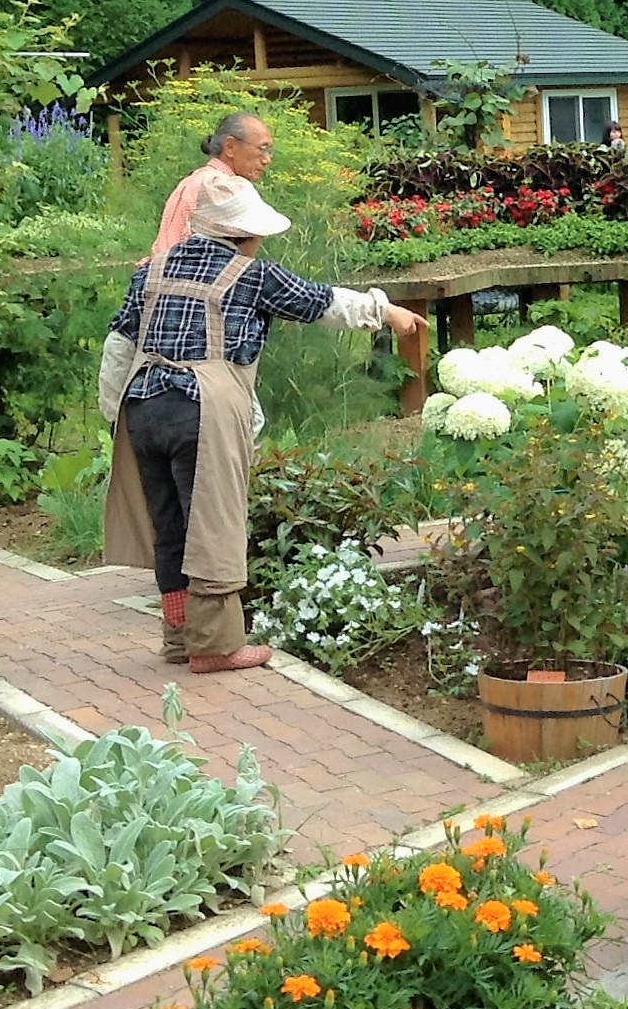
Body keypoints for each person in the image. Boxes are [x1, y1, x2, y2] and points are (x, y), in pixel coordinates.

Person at [100, 182, 426, 670]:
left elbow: (118, 346)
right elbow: (323, 302)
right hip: (201, 411)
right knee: (212, 528)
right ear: (245, 235)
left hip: (142, 406)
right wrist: (387, 310)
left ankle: (178, 638)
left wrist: (114, 416)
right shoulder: (252, 276)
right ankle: (215, 647)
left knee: (168, 528)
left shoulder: (153, 272)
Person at [150, 113, 276, 256]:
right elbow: (168, 252)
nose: (267, 160)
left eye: (269, 151)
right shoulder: (207, 186)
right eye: (261, 148)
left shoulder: (213, 183)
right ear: (230, 147)